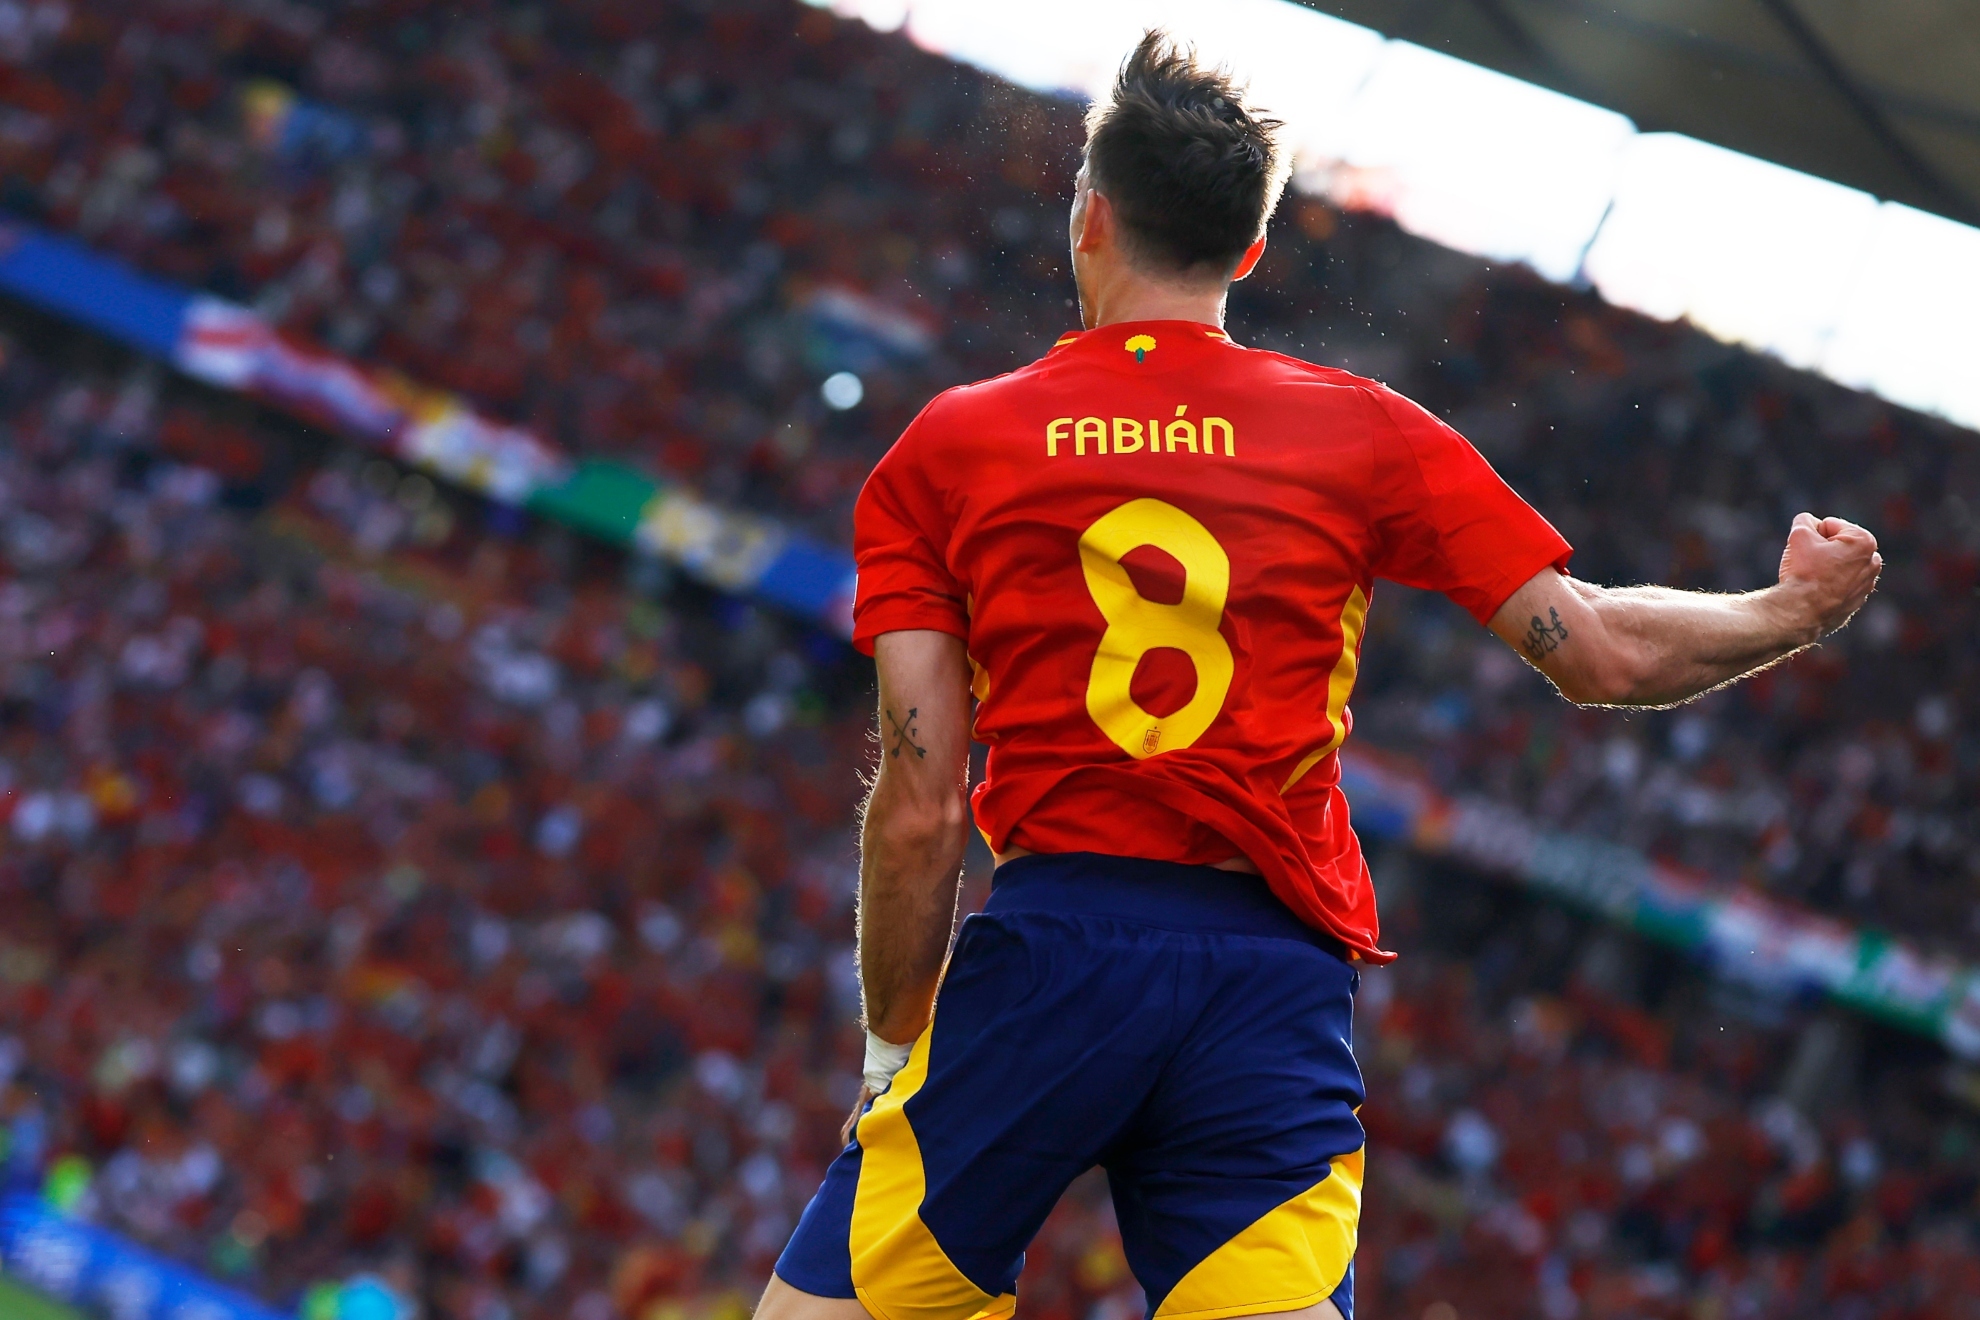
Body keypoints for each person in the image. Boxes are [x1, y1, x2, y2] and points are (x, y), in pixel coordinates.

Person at [759, 32, 1881, 1320]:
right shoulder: (1364, 430)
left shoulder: (948, 447)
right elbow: (1606, 654)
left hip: (1050, 956)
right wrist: (1789, 609)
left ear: (1090, 218)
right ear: (1249, 251)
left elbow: (918, 803)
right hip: (1267, 984)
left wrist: (896, 1050)